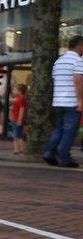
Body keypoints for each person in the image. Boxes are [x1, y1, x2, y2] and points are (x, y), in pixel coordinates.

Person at [43, 35, 83, 168]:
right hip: (72, 102)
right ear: (80, 46)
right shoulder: (79, 61)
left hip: (58, 101)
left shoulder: (58, 61)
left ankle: (49, 152)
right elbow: (78, 80)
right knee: (69, 131)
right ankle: (64, 158)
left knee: (58, 129)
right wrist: (80, 101)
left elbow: (55, 81)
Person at [10, 83, 27, 155]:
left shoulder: (21, 99)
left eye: (14, 90)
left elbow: (22, 109)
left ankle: (19, 149)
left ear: (20, 91)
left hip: (16, 120)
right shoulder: (19, 98)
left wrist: (19, 120)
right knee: (17, 135)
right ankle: (17, 149)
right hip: (15, 119)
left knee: (17, 135)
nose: (13, 91)